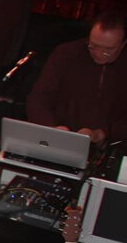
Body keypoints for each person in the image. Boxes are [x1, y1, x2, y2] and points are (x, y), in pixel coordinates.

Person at [25, 9, 127, 143]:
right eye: (93, 46)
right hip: (60, 139)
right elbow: (39, 97)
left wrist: (104, 133)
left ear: (122, 45)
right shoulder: (67, 54)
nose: (98, 53)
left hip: (113, 145)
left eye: (108, 50)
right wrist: (52, 127)